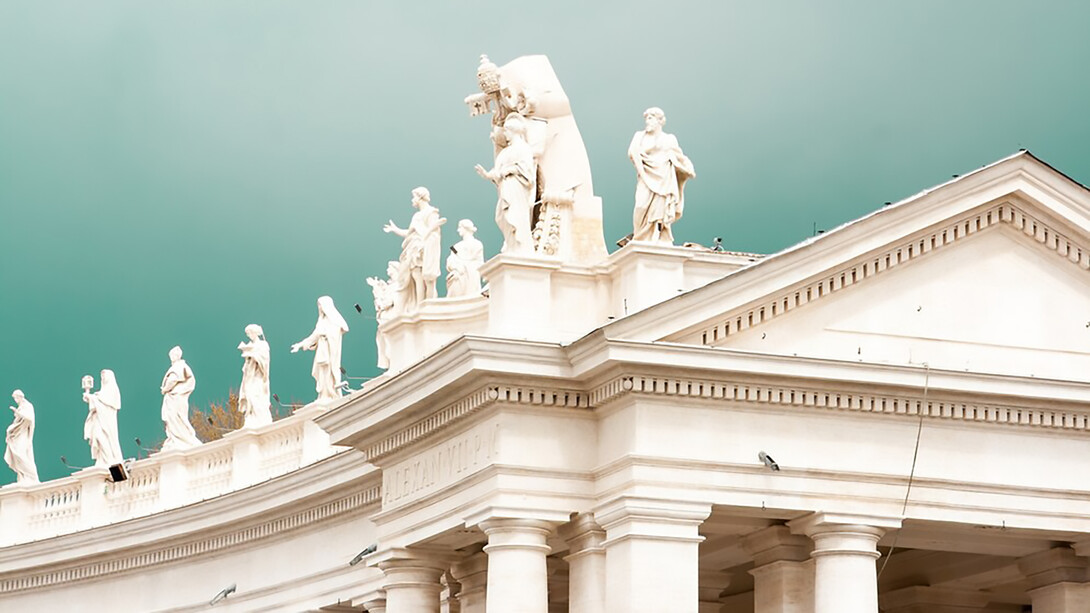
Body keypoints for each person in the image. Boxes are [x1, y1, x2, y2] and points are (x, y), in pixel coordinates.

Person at [628, 107, 695, 244]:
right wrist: (642, 166)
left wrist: (687, 167)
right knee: (641, 206)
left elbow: (679, 156)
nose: (647, 121)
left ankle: (657, 235)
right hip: (646, 175)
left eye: (650, 118)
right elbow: (632, 153)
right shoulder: (639, 136)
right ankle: (640, 236)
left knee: (660, 210)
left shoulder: (669, 138)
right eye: (646, 118)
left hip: (664, 178)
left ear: (659, 120)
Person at [476, 113, 537, 254]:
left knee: (516, 215)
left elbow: (528, 171)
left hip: (517, 187)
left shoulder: (524, 148)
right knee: (501, 217)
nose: (505, 134)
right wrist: (487, 174)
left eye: (506, 131)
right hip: (506, 187)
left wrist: (510, 169)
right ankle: (511, 246)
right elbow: (498, 172)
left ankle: (520, 247)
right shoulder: (506, 152)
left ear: (514, 131)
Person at [383, 187, 446, 313]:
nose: (412, 200)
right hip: (414, 249)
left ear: (420, 197)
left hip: (424, 248)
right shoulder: (417, 216)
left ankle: (429, 308)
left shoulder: (431, 212)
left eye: (414, 197)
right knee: (417, 277)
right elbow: (410, 233)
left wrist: (425, 242)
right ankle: (419, 307)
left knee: (428, 279)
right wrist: (395, 229)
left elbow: (434, 234)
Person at [291, 296, 350, 401]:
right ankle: (324, 394)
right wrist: (299, 345)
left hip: (329, 351)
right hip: (322, 351)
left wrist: (326, 335)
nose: (319, 307)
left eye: (320, 305)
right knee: (321, 373)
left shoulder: (334, 321)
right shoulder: (321, 321)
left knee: (329, 372)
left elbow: (337, 332)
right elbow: (314, 336)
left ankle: (330, 394)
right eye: (318, 305)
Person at [160, 346, 201, 451]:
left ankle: (181, 439)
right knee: (176, 418)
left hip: (175, 397)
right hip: (178, 397)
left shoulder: (178, 366)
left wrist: (165, 389)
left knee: (176, 417)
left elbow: (173, 380)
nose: (171, 357)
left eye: (172, 355)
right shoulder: (181, 366)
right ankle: (176, 438)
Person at [83, 370, 123, 467]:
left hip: (107, 422)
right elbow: (98, 402)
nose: (103, 378)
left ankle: (109, 459)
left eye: (104, 376)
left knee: (102, 437)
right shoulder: (100, 393)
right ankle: (103, 460)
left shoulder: (112, 389)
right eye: (102, 377)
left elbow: (106, 402)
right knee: (97, 436)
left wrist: (91, 398)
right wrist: (89, 397)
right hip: (99, 420)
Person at [238, 324, 273, 428]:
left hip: (258, 377)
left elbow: (265, 360)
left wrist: (253, 355)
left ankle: (261, 420)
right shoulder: (249, 345)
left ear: (255, 332)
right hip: (249, 377)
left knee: (256, 396)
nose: (249, 336)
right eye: (247, 334)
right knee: (249, 396)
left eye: (250, 333)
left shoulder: (263, 344)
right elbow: (246, 366)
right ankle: (251, 419)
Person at [366, 261, 399, 370]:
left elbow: (386, 303)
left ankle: (394, 364)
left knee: (390, 343)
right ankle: (392, 365)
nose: (387, 270)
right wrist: (377, 288)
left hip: (390, 319)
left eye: (389, 268)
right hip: (385, 319)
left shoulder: (397, 286)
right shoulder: (391, 286)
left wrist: (378, 292)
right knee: (385, 343)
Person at [4, 390, 38, 484]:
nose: (15, 400)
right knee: (16, 456)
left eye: (15, 398)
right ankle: (22, 477)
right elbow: (17, 422)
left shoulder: (28, 406)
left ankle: (31, 476)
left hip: (23, 435)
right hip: (17, 434)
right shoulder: (21, 407)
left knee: (21, 454)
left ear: (20, 397)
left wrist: (17, 413)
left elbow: (29, 419)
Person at [445, 219, 485, 297]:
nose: (458, 230)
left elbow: (478, 262)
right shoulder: (455, 247)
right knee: (455, 279)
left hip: (471, 275)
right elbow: (450, 259)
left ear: (466, 228)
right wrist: (457, 266)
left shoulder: (477, 244)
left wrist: (463, 265)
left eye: (460, 227)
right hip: (457, 274)